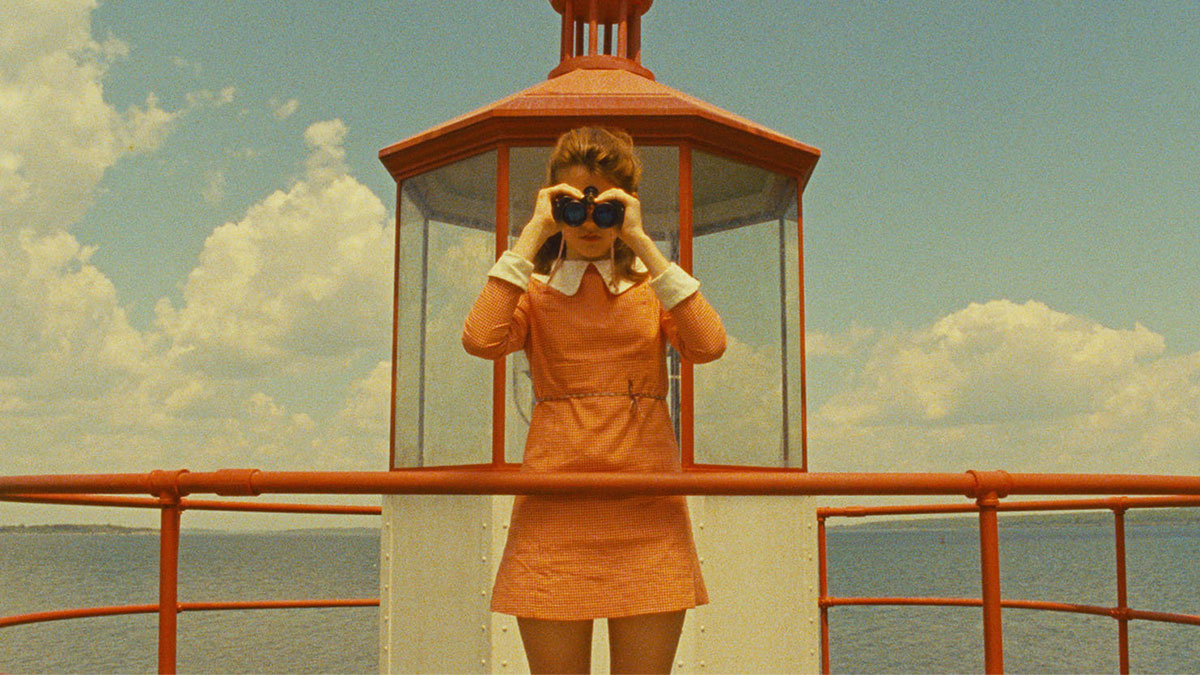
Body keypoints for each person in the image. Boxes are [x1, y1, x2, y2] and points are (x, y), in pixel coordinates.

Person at [462, 127, 726, 674]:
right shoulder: (533, 291)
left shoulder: (653, 290)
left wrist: (643, 243)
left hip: (646, 514)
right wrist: (532, 234)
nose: (587, 222)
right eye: (571, 207)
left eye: (603, 209)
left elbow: (708, 344)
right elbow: (480, 339)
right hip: (552, 515)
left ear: (625, 209)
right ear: (551, 205)